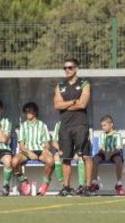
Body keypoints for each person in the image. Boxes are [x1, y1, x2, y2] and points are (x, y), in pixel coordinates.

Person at [54, 58, 93, 196]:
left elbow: (83, 104)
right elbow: (56, 105)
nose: (67, 70)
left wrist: (65, 105)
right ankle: (66, 187)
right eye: (65, 68)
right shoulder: (60, 85)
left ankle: (87, 187)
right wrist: (72, 102)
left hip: (80, 124)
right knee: (66, 158)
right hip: (65, 125)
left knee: (86, 156)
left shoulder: (84, 83)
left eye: (70, 67)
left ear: (76, 68)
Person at [12, 102, 54, 196]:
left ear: (35, 112)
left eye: (30, 110)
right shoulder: (23, 125)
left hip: (40, 151)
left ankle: (45, 184)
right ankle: (23, 180)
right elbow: (22, 145)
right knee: (14, 162)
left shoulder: (42, 125)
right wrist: (29, 153)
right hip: (26, 151)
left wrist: (46, 149)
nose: (28, 113)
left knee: (51, 161)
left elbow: (47, 143)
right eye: (26, 111)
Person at [91, 115, 124, 196]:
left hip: (114, 153)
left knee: (119, 160)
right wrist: (105, 154)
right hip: (104, 153)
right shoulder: (102, 135)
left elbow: (118, 148)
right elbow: (101, 147)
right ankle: (94, 183)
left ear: (111, 125)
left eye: (104, 125)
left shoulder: (117, 134)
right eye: (102, 126)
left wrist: (110, 154)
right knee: (95, 159)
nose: (103, 127)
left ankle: (119, 184)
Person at [51, 121, 86, 195]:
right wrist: (59, 150)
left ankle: (81, 186)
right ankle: (64, 185)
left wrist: (78, 151)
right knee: (56, 157)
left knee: (80, 158)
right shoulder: (58, 124)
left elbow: (82, 140)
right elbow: (54, 141)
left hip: (76, 150)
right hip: (64, 150)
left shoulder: (78, 123)